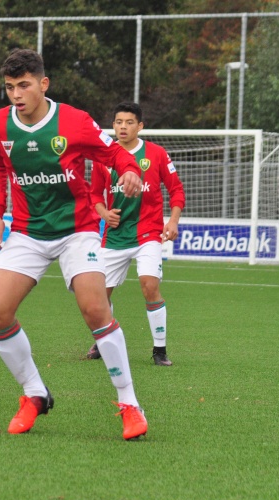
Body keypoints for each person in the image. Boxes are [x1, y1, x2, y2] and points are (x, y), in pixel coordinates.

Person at [0, 48, 147, 441]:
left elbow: (114, 154)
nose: (17, 95)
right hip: (26, 230)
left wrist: (128, 173)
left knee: (95, 308)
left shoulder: (73, 122)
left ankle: (129, 403)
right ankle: (34, 393)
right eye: (9, 88)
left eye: (24, 86)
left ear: (43, 83)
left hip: (78, 230)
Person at [85, 102, 185, 366]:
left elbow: (176, 190)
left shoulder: (156, 154)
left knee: (149, 285)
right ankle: (102, 341)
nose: (122, 127)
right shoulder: (103, 157)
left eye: (129, 122)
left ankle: (160, 350)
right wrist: (104, 214)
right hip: (115, 237)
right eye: (118, 122)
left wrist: (172, 222)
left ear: (140, 126)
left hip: (147, 233)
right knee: (99, 295)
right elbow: (94, 194)